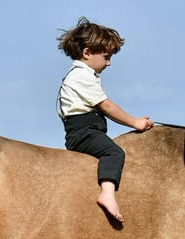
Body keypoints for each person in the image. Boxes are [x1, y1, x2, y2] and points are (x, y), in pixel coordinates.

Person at [57, 17, 154, 223]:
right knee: (113, 152)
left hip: (84, 130)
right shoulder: (81, 75)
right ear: (87, 53)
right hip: (84, 131)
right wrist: (135, 122)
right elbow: (107, 107)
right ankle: (107, 194)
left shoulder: (80, 74)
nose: (109, 62)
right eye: (106, 56)